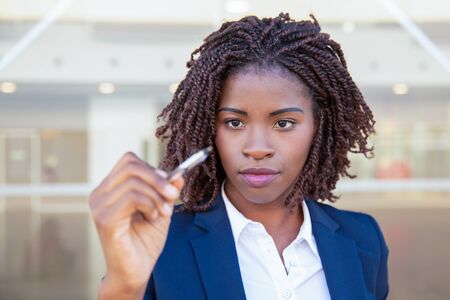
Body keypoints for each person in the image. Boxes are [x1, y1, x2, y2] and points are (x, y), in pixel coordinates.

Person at [89, 13, 389, 300]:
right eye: (234, 122)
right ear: (210, 129)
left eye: (283, 123)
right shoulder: (161, 241)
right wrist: (124, 286)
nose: (257, 147)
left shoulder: (364, 239)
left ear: (319, 128)